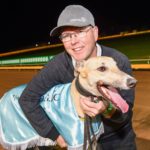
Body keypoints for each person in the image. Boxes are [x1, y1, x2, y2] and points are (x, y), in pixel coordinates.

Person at [19, 4, 137, 150]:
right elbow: (27, 99)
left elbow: (125, 115)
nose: (73, 41)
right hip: (77, 140)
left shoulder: (118, 60)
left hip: (115, 139)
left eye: (80, 31)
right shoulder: (57, 66)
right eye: (66, 36)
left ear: (95, 32)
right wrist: (54, 135)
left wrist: (106, 108)